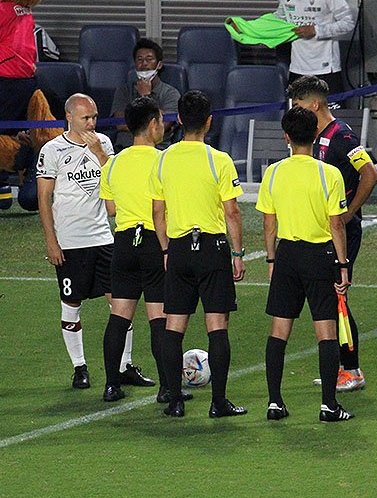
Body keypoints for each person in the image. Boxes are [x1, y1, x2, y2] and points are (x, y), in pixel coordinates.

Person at [37, 94, 153, 391]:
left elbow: (115, 181)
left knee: (120, 302)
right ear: (69, 117)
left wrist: (100, 153)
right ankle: (79, 367)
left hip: (103, 237)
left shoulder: (104, 143)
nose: (91, 123)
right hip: (70, 241)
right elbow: (44, 198)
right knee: (71, 304)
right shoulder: (52, 150)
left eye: (94, 117)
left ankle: (124, 366)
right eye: (85, 117)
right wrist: (51, 240)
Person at [150, 90, 247, 418]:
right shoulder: (219, 160)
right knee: (217, 325)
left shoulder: (163, 159)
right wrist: (238, 253)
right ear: (209, 121)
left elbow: (158, 212)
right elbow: (232, 212)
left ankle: (175, 401)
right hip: (211, 249)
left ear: (178, 119)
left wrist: (166, 249)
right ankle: (218, 403)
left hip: (179, 248)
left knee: (174, 325)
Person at [257, 107, 354, 422]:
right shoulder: (329, 174)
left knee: (279, 329)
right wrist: (342, 264)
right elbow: (336, 225)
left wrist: (271, 259)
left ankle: (275, 403)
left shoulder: (273, 173)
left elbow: (268, 224)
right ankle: (329, 406)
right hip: (319, 256)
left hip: (286, 255)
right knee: (325, 330)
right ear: (315, 134)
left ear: (286, 137)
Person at [288, 75, 377, 393]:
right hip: (323, 231)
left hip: (343, 231)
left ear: (314, 105)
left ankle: (352, 370)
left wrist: (350, 212)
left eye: (298, 104)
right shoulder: (314, 137)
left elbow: (370, 173)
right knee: (328, 297)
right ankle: (340, 367)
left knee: (337, 297)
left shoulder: (341, 136)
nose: (295, 110)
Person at [98, 96, 177, 403]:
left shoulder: (113, 163)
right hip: (155, 243)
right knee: (159, 318)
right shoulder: (164, 161)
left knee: (119, 315)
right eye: (161, 121)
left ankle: (111, 385)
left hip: (124, 243)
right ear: (153, 124)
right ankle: (167, 388)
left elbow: (111, 209)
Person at [274, 0, 354, 95]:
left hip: (326, 68)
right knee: (296, 110)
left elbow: (348, 23)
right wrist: (248, 28)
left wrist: (316, 31)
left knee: (329, 110)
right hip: (297, 67)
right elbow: (280, 17)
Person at [109, 38, 180, 152]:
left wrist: (146, 96)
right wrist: (148, 122)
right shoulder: (124, 91)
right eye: (140, 59)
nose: (144, 64)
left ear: (159, 65)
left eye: (149, 59)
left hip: (157, 151)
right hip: (124, 149)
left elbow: (160, 126)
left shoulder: (171, 94)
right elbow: (120, 124)